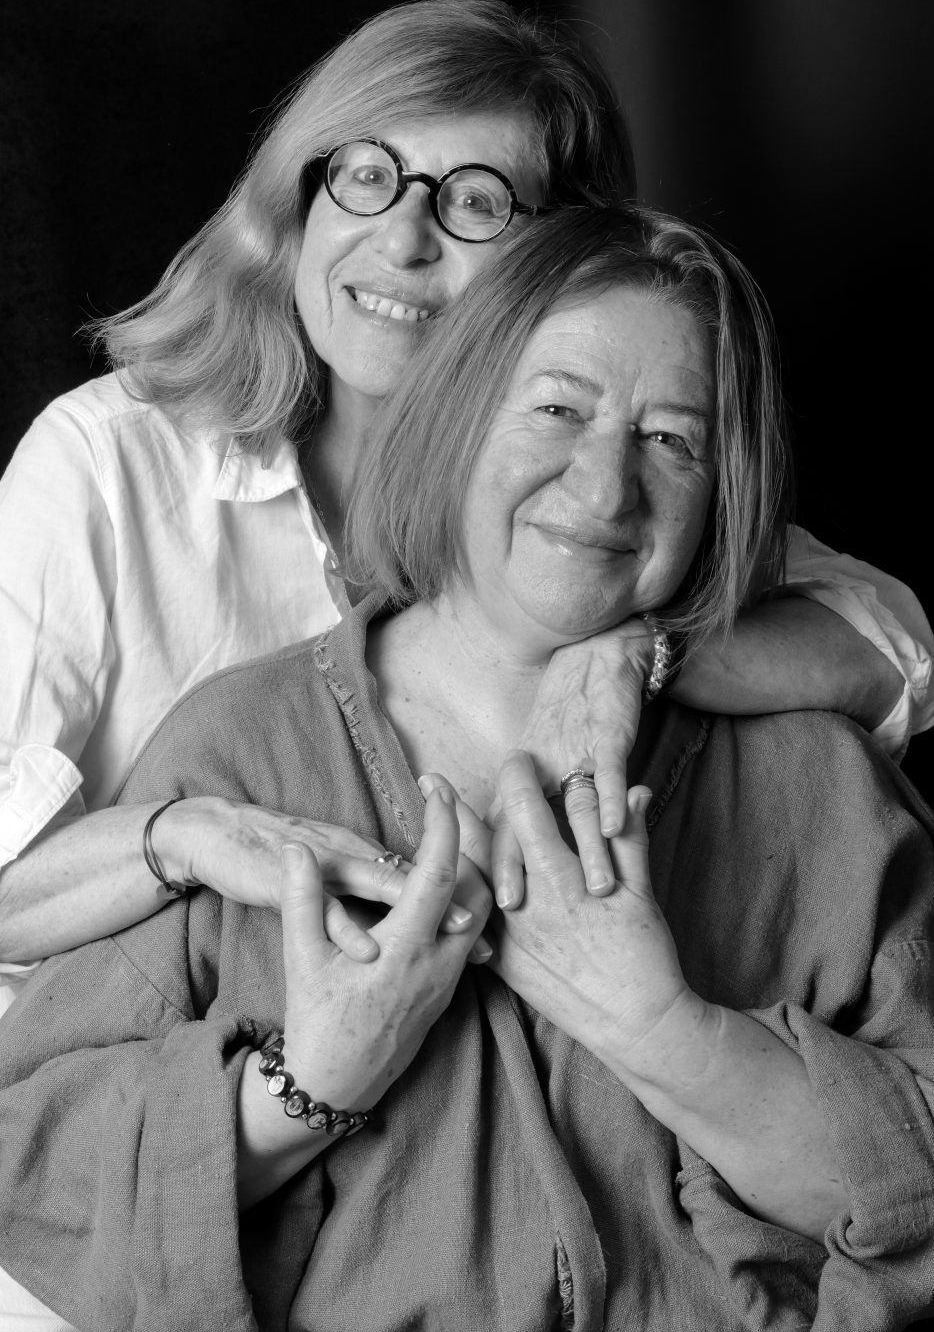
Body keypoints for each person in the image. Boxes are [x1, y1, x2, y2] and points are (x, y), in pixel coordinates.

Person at [1, 207, 933, 1330]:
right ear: (455, 418)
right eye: (555, 408)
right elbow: (32, 1174)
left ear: (724, 491)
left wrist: (662, 1031)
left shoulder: (815, 775)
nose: (603, 489)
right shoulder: (241, 749)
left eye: (672, 439)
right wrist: (309, 1085)